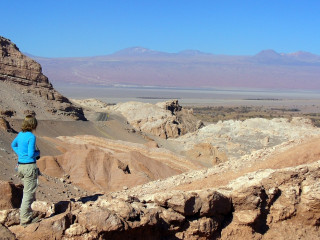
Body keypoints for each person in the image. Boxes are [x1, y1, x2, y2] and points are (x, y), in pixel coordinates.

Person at [11, 115, 40, 226]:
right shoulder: (31, 137)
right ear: (33, 125)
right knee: (28, 193)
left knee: (28, 191)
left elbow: (13, 145)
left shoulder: (20, 134)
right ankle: (25, 219)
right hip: (29, 167)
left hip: (20, 166)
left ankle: (28, 214)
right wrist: (38, 153)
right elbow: (31, 154)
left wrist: (20, 154)